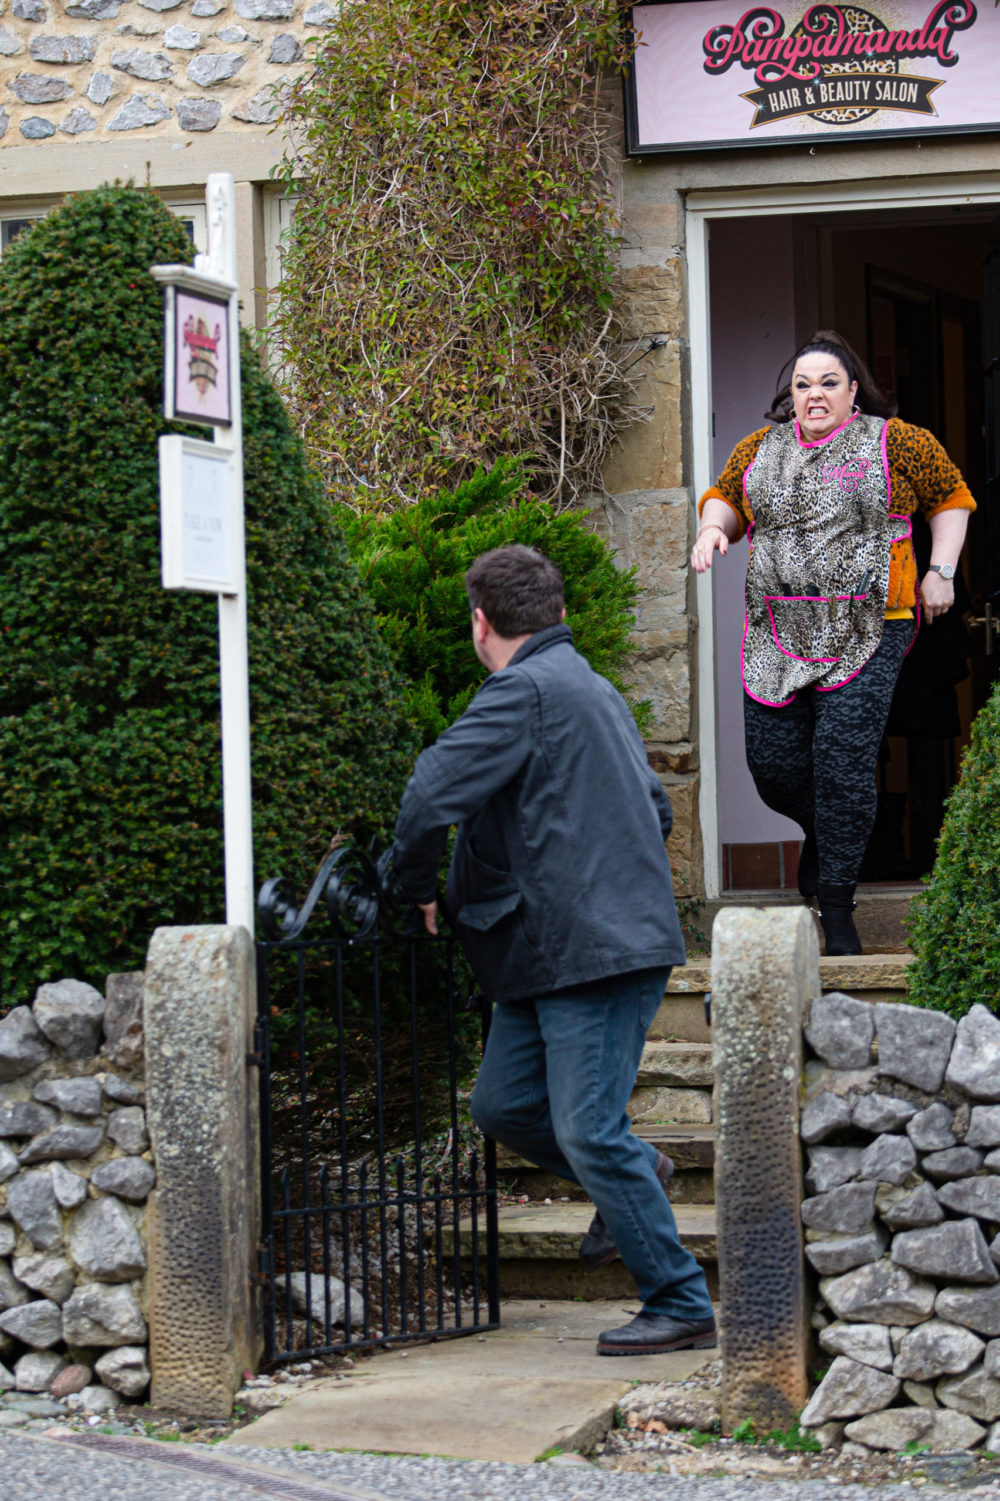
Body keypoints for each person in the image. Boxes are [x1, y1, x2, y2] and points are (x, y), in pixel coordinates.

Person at [389, 544, 716, 1356]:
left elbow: (430, 791)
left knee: (588, 1128)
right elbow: (656, 809)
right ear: (557, 612)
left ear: (479, 624)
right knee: (501, 1107)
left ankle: (679, 1299)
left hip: (592, 952)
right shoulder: (591, 687)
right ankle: (644, 1172)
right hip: (547, 951)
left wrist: (418, 888)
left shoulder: (523, 689)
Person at [692, 329, 975, 954]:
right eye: (802, 384)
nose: (814, 395)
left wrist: (942, 570)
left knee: (843, 765)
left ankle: (838, 908)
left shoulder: (896, 441)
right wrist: (714, 530)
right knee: (774, 769)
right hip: (777, 631)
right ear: (789, 395)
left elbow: (950, 498)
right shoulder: (758, 449)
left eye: (828, 383)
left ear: (854, 391)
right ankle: (829, 833)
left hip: (873, 626)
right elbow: (727, 500)